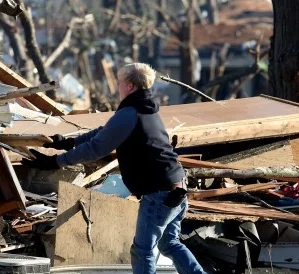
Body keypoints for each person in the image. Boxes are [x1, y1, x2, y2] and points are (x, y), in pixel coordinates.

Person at [22, 63, 205, 274]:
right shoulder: (145, 108)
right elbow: (105, 131)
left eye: (119, 83)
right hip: (176, 186)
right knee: (169, 244)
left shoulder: (131, 112)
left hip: (160, 193)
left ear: (129, 85)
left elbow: (97, 148)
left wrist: (55, 162)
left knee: (142, 250)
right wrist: (69, 142)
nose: (117, 87)